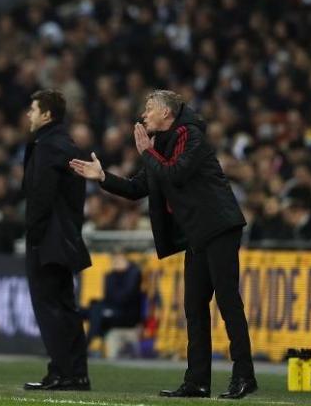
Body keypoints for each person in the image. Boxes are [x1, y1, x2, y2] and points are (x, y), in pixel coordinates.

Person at [70, 90, 257, 400]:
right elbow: (136, 188)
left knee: (227, 302)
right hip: (198, 233)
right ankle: (197, 381)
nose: (144, 114)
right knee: (194, 309)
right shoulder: (163, 144)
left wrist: (146, 152)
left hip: (219, 227)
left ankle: (244, 375)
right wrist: (103, 177)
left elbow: (176, 173)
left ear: (167, 114)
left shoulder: (189, 135)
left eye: (149, 108)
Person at [22, 90, 92, 391]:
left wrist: (34, 233)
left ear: (47, 115)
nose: (29, 114)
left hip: (48, 238)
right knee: (65, 307)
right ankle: (74, 373)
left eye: (33, 109)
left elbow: (41, 195)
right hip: (65, 236)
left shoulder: (48, 146)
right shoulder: (67, 144)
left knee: (50, 308)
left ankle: (64, 372)